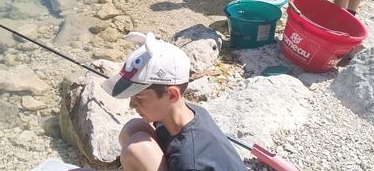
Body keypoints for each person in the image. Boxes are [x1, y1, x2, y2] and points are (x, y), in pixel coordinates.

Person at [74, 32, 245, 171]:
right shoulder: (186, 114)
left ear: (172, 95)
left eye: (139, 98)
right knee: (133, 128)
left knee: (136, 150)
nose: (132, 105)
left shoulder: (190, 161)